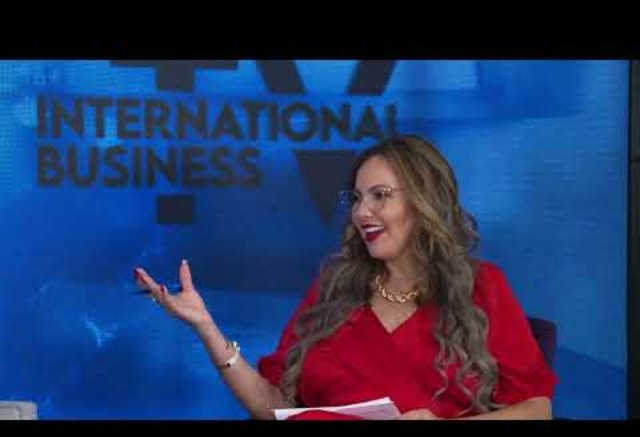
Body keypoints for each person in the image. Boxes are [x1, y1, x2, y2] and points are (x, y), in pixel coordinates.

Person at [133, 134, 557, 420]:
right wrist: (206, 328)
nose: (360, 212)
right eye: (356, 198)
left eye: (379, 196)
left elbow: (538, 409)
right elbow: (273, 408)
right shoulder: (333, 289)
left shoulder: (482, 286)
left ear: (424, 203)